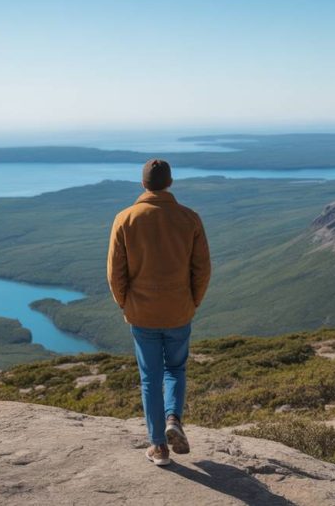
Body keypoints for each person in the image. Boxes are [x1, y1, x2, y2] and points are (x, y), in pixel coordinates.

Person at [106, 159, 212, 466]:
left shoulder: (125, 219)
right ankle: (173, 419)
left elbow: (116, 273)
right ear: (170, 183)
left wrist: (125, 303)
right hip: (179, 310)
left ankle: (159, 447)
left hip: (142, 314)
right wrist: (193, 301)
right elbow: (202, 269)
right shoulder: (189, 218)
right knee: (175, 369)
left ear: (143, 184)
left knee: (150, 377)